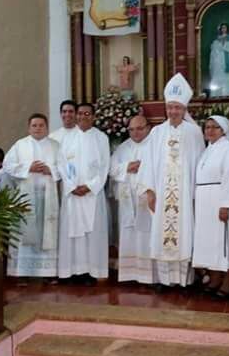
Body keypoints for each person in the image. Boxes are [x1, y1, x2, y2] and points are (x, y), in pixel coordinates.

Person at [138, 73, 205, 288]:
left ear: (184, 109)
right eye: (170, 107)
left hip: (185, 195)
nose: (173, 111)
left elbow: (200, 164)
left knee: (185, 232)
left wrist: (197, 194)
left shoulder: (194, 132)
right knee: (161, 233)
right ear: (165, 109)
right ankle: (165, 280)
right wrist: (150, 191)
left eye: (177, 107)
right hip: (161, 193)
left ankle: (184, 280)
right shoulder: (157, 132)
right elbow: (147, 162)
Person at [192, 116, 229, 299]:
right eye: (207, 127)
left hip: (222, 200)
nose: (210, 130)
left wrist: (225, 204)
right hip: (205, 202)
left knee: (227, 241)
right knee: (210, 242)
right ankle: (215, 278)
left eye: (215, 127)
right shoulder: (208, 150)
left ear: (224, 130)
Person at [57, 103, 111, 283]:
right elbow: (61, 164)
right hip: (72, 194)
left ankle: (90, 272)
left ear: (93, 116)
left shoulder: (101, 138)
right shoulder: (67, 138)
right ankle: (71, 271)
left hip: (92, 195)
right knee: (72, 233)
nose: (82, 116)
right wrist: (72, 186)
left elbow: (105, 166)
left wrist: (90, 186)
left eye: (87, 113)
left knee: (92, 234)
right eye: (80, 113)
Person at [3, 114, 60, 278]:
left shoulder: (55, 146)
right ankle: (23, 272)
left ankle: (47, 272)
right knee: (25, 230)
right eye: (34, 125)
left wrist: (51, 170)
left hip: (47, 197)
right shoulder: (20, 145)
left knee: (45, 232)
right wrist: (28, 167)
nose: (38, 128)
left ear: (47, 127)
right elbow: (7, 165)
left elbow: (66, 168)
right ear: (29, 128)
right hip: (26, 197)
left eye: (41, 125)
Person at [109, 115, 153, 283]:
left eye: (139, 128)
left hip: (146, 197)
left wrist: (143, 167)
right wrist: (128, 166)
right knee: (128, 232)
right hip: (128, 199)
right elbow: (112, 169)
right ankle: (130, 273)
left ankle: (148, 274)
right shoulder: (122, 148)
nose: (135, 132)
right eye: (131, 129)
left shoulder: (154, 145)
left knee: (146, 232)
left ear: (148, 128)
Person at [209, 23, 229, 98]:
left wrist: (225, 48)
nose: (223, 29)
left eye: (225, 28)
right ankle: (217, 94)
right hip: (218, 63)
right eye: (222, 28)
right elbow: (213, 54)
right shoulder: (216, 41)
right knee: (218, 79)